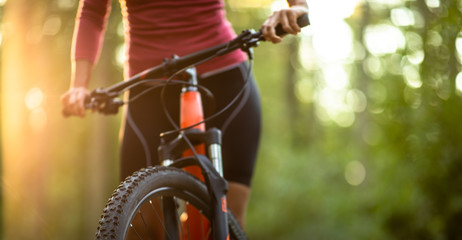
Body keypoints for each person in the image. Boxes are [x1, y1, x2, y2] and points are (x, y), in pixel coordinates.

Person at [61, 0, 308, 228]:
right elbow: (92, 12)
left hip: (224, 77)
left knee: (226, 216)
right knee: (144, 220)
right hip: (148, 88)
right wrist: (78, 85)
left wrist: (297, 6)